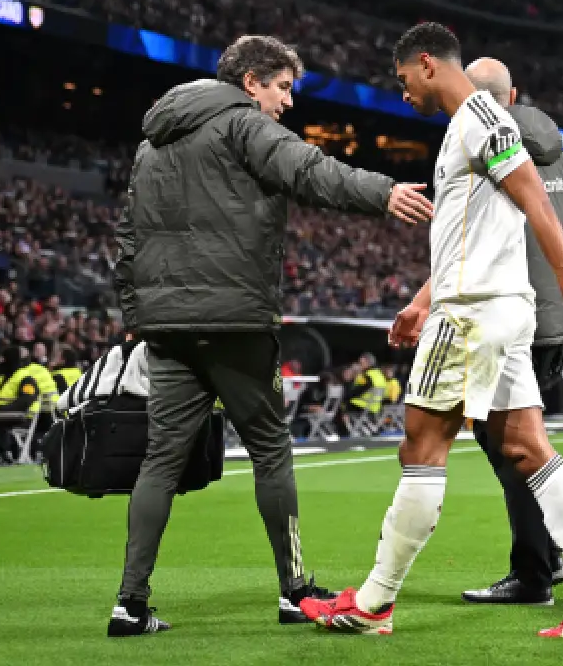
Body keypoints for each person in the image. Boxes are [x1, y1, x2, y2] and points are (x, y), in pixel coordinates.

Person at [300, 22, 563, 638]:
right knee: (530, 450)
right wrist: (423, 300)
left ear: (428, 64)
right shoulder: (475, 124)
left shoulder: (478, 120)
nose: (402, 95)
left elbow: (536, 203)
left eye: (402, 81)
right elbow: (472, 232)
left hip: (473, 315)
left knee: (420, 447)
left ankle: (372, 604)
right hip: (492, 307)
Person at [109, 34, 434, 637]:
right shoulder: (241, 124)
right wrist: (383, 192)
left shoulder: (151, 145)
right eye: (282, 87)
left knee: (161, 459)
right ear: (251, 80)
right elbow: (309, 170)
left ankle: (129, 603)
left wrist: (137, 314)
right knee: (269, 447)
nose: (286, 103)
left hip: (166, 324)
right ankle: (292, 591)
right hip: (234, 318)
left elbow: (128, 238)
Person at [454, 57, 563, 607]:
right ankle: (548, 558)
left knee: (510, 445)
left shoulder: (488, 152)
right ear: (514, 95)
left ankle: (535, 571)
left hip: (511, 319)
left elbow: (471, 241)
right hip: (552, 322)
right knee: (519, 440)